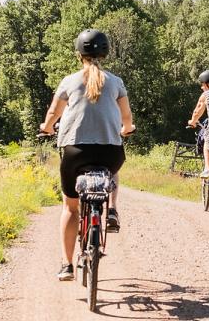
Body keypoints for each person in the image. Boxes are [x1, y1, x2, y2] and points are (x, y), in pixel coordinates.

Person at [38, 29, 136, 281]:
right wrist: (126, 130)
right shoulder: (115, 82)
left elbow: (53, 115)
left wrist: (46, 129)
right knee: (112, 171)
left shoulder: (69, 81)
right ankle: (111, 209)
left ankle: (66, 265)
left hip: (75, 151)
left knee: (70, 208)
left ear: (78, 53)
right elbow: (127, 118)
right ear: (104, 53)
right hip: (109, 151)